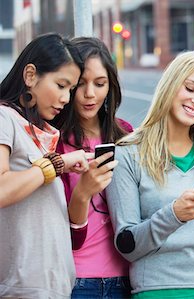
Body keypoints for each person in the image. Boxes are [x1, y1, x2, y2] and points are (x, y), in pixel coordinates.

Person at [106, 51, 194, 299]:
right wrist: (174, 215)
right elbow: (127, 245)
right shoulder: (127, 154)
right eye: (190, 88)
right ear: (171, 84)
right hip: (159, 288)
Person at [0, 33, 91, 298]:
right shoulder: (5, 118)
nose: (66, 98)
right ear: (30, 75)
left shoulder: (40, 132)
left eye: (70, 89)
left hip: (55, 286)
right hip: (20, 289)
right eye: (61, 85)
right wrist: (56, 164)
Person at [53, 37, 133, 298]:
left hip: (125, 278)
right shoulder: (54, 142)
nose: (90, 94)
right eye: (80, 84)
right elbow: (68, 235)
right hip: (77, 280)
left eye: (99, 84)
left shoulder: (126, 134)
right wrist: (83, 192)